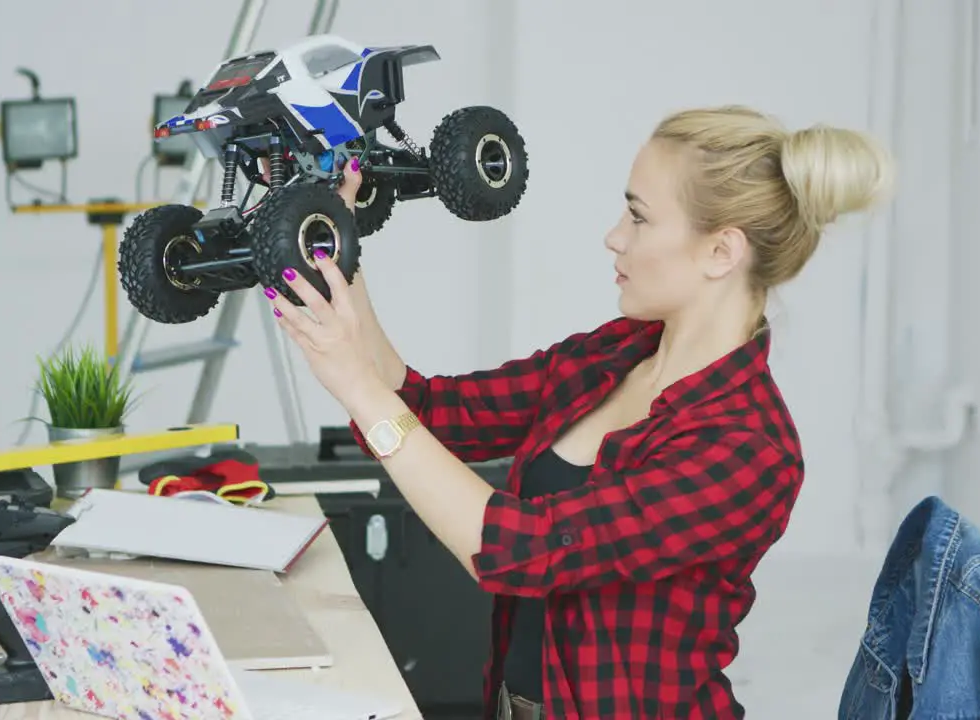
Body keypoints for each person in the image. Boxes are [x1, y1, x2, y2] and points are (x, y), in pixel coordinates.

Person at [262, 105, 893, 719]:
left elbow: (520, 551)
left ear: (721, 252)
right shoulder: (616, 352)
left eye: (640, 218)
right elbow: (431, 411)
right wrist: (334, 244)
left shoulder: (746, 449)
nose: (614, 236)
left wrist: (360, 392)